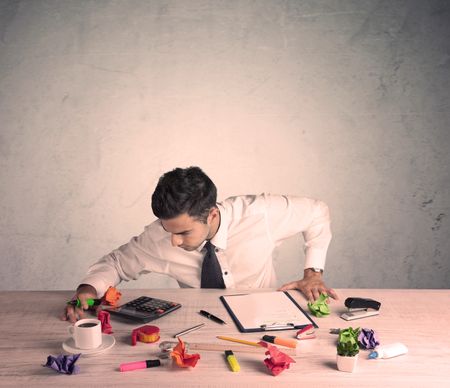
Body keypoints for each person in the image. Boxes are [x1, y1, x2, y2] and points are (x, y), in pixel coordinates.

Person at [63, 166, 338, 322]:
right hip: (199, 322)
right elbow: (116, 264)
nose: (173, 240)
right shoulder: (160, 236)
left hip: (265, 318)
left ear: (212, 214)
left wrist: (313, 274)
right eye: (168, 230)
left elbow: (317, 212)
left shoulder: (259, 213)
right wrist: (87, 290)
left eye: (183, 232)